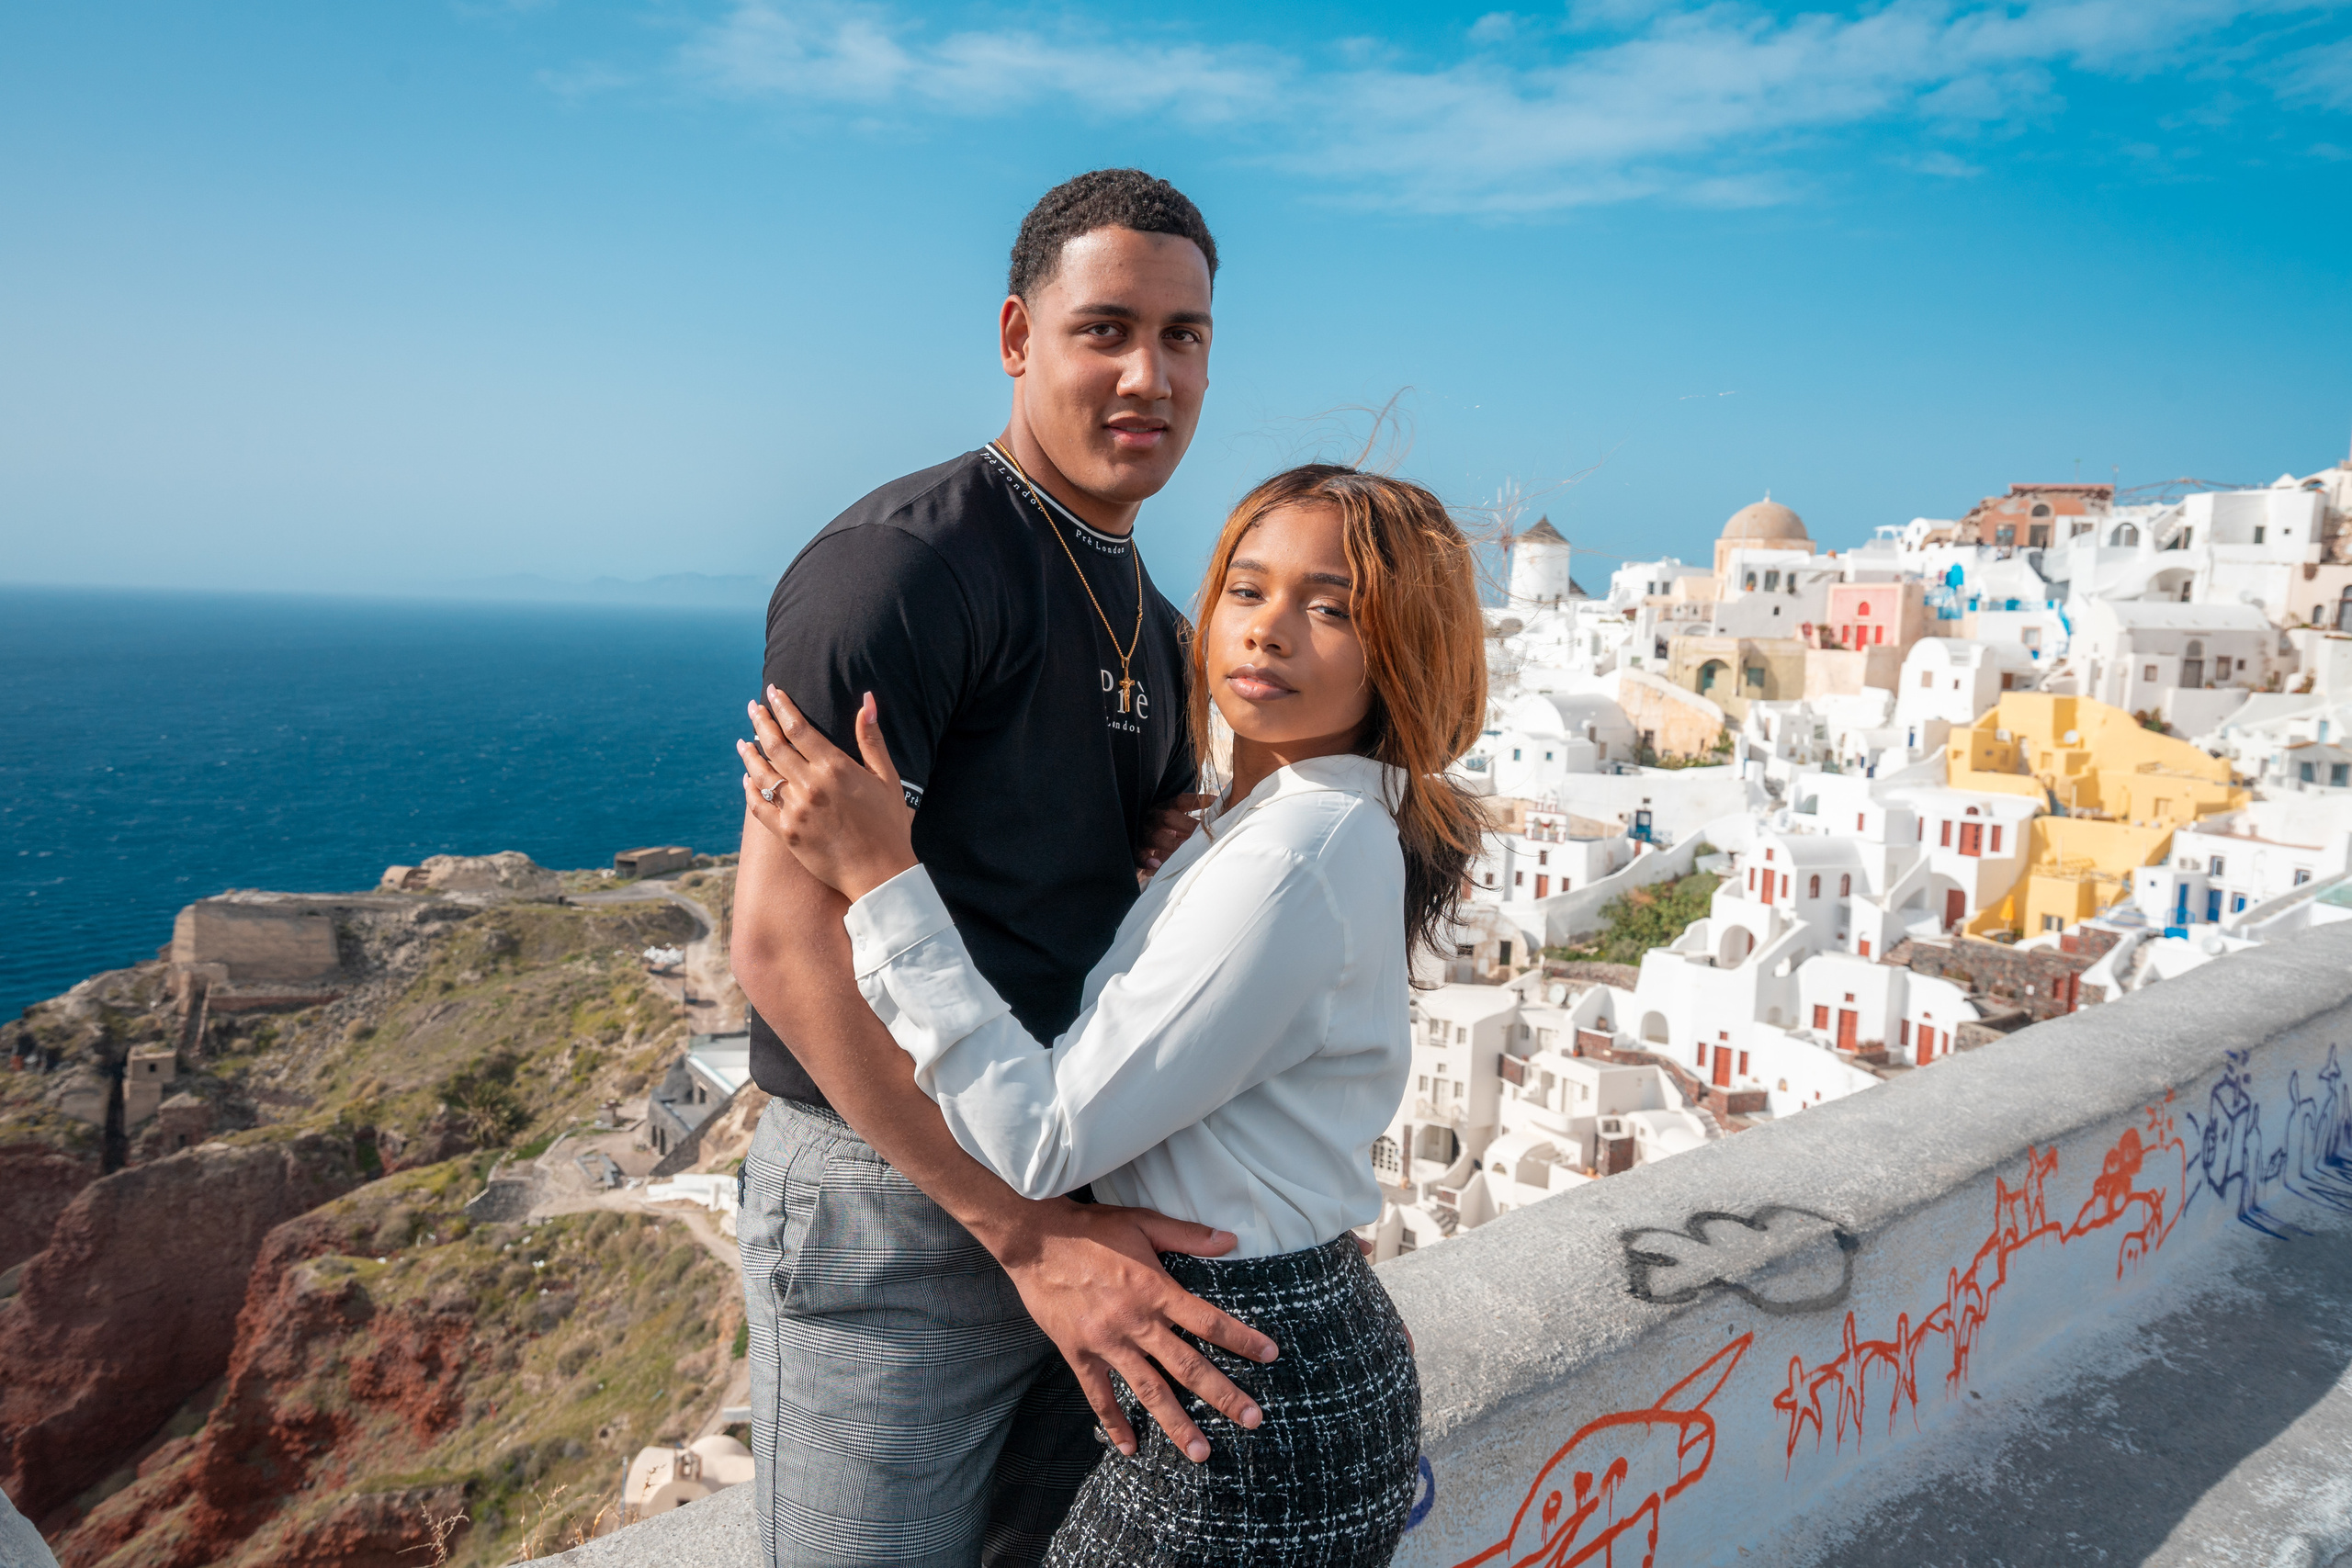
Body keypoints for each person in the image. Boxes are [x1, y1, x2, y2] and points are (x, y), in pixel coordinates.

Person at [739, 462, 1489, 1565]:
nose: (1269, 630)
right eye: (1246, 589)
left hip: (1234, 1390)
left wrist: (884, 877)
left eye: (1330, 608)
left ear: (1405, 653)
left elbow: (1045, 1139)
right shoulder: (1290, 827)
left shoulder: (1294, 853)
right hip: (1259, 1345)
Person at [729, 168, 1279, 1568]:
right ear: (1018, 338)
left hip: (1066, 1183)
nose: (1148, 374)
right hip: (895, 1195)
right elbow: (782, 948)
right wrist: (1027, 1235)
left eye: (1185, 334)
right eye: (1104, 328)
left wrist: (1169, 851)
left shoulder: (1153, 618)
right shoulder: (898, 577)